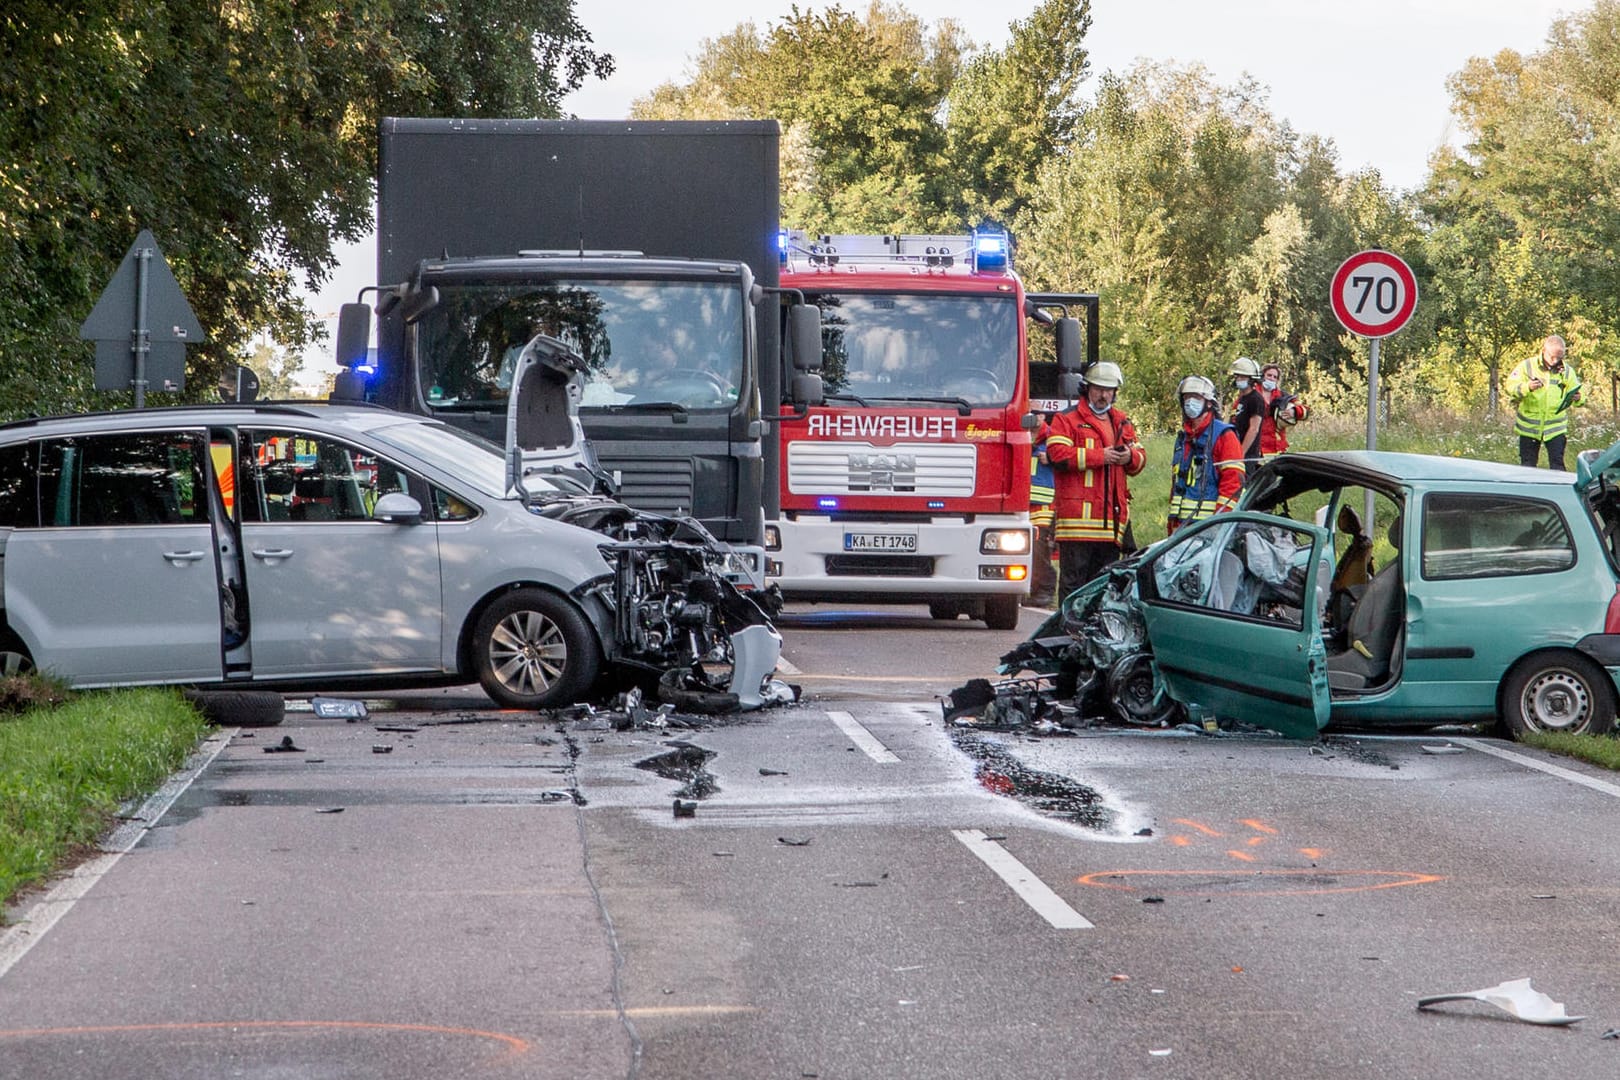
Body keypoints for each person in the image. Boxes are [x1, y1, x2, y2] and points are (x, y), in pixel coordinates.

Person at [1044, 361, 1146, 599]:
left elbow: (1140, 460)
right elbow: (1057, 455)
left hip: (1110, 523)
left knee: (1102, 588)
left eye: (1108, 390)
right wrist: (1101, 456)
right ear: (1087, 388)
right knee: (1073, 585)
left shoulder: (1121, 421)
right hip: (1077, 523)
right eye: (1099, 389)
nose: (1103, 395)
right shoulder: (1066, 419)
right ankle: (1068, 631)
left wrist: (1129, 456)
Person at [1167, 374, 1245, 535]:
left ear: (1209, 402)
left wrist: (1219, 526)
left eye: (1196, 397)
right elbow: (1176, 488)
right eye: (1187, 397)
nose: (1190, 402)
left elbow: (1233, 485)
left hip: (1210, 530)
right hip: (1181, 531)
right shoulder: (1183, 439)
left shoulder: (1224, 436)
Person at [1505, 334, 1582, 470]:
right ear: (1543, 350)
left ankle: (1558, 490)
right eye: (1552, 356)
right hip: (1529, 427)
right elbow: (1510, 387)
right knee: (1527, 467)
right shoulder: (1527, 365)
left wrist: (1579, 397)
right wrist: (1527, 387)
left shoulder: (1567, 371)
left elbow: (1578, 390)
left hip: (1555, 428)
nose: (1555, 360)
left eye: (1559, 357)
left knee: (1557, 465)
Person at [1027, 419, 1058, 607]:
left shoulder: (1052, 438)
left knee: (1040, 548)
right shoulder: (1021, 434)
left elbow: (1066, 458)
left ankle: (1045, 589)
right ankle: (1031, 588)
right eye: (1029, 412)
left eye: (1037, 413)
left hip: (1045, 505)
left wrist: (1052, 458)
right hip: (1021, 504)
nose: (1033, 417)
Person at [1255, 362, 1309, 460]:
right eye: (1269, 375)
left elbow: (1305, 410)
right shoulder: (1252, 394)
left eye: (1275, 377)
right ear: (1262, 376)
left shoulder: (1283, 396)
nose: (1271, 378)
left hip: (1276, 445)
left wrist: (1294, 411)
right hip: (1255, 445)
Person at [1228, 356, 1267, 476]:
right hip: (1235, 450)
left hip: (1247, 455)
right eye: (1237, 376)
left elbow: (1254, 428)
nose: (1239, 379)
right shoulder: (1241, 399)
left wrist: (1241, 453)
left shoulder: (1256, 399)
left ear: (1251, 379)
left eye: (1243, 377)